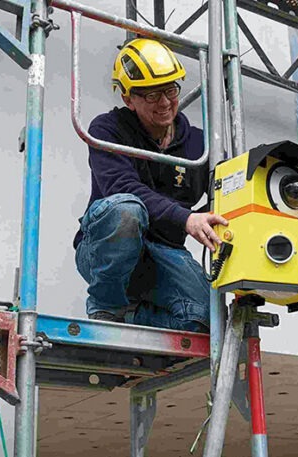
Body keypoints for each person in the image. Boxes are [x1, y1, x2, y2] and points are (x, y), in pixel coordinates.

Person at [73, 38, 228, 333]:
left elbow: (224, 193)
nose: (165, 103)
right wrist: (186, 219)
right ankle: (107, 308)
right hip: (104, 249)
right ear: (128, 99)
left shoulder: (200, 144)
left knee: (207, 317)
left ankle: (130, 316)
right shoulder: (107, 129)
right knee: (126, 209)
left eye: (170, 90)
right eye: (152, 95)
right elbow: (122, 186)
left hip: (163, 253)